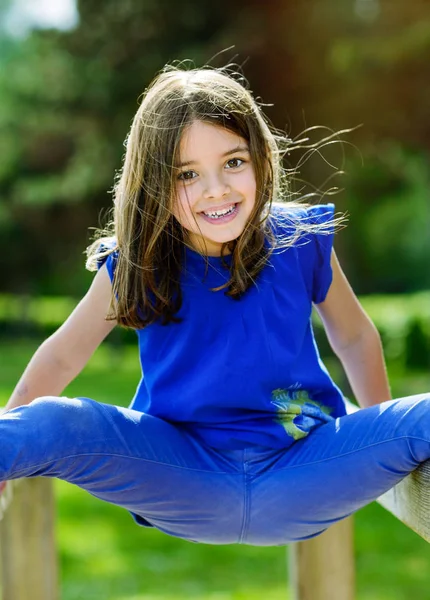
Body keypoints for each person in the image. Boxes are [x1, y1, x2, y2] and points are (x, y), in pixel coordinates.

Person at [1, 65, 429, 546]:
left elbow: (353, 334)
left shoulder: (300, 239)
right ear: (153, 183)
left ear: (261, 159)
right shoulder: (136, 262)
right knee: (56, 420)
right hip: (182, 476)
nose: (216, 189)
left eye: (233, 162)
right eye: (187, 174)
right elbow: (63, 354)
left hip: (303, 473)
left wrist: (379, 433)